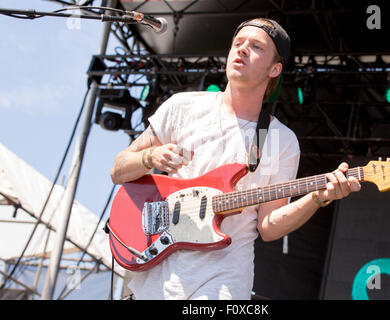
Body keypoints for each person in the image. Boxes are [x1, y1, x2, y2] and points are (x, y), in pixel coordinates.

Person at [110, 18, 361, 300]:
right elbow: (118, 171)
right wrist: (150, 156)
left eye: (255, 47)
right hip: (158, 274)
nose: (241, 50)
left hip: (223, 281)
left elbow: (269, 226)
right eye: (237, 44)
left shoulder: (279, 139)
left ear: (275, 69)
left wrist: (317, 198)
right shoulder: (182, 107)